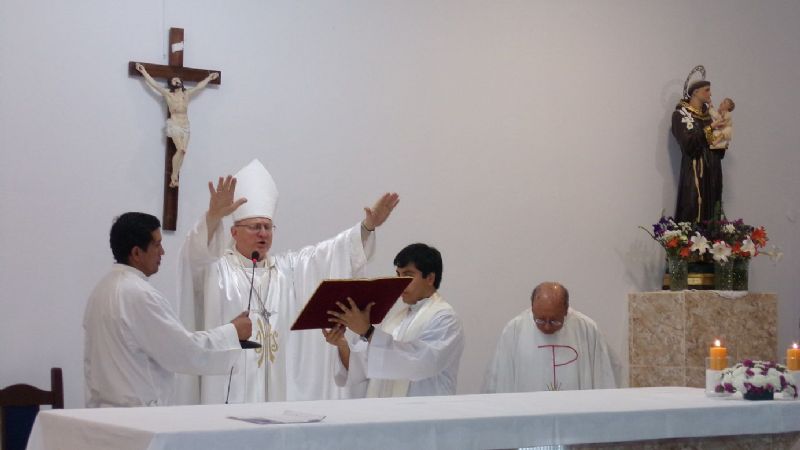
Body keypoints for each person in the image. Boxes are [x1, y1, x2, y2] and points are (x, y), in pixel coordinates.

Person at [178, 159, 399, 404]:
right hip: (232, 390)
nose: (263, 233)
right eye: (255, 227)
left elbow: (329, 253)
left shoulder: (287, 271)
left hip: (278, 390)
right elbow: (195, 257)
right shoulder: (217, 271)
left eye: (268, 227)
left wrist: (367, 227)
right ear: (234, 232)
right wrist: (212, 217)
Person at [83, 212, 251, 407]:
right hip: (136, 417)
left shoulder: (101, 290)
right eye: (157, 245)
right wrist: (232, 332)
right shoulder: (139, 295)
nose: (162, 252)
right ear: (137, 253)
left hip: (102, 414)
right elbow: (183, 351)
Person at [325, 243, 464, 397]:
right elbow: (364, 368)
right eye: (398, 275)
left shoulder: (445, 318)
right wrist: (342, 344)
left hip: (426, 413)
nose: (400, 282)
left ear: (430, 278)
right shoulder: (395, 320)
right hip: (390, 414)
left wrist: (368, 331)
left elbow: (418, 363)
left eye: (408, 275)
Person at [482, 282, 617, 393]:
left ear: (566, 310)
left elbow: (604, 379)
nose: (547, 327)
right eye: (540, 320)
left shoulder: (587, 329)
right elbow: (499, 381)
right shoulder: (514, 330)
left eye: (554, 321)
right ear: (532, 309)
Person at [135, 63, 219, 188]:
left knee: (183, 152)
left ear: (181, 82)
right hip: (174, 124)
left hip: (186, 125)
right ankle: (174, 176)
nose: (176, 81)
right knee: (181, 149)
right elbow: (154, 84)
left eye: (178, 79)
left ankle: (174, 177)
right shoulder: (168, 94)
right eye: (174, 80)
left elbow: (198, 87)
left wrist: (209, 78)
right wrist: (144, 72)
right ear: (171, 84)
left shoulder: (187, 94)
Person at [671, 79, 724, 223]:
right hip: (695, 169)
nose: (710, 93)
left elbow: (718, 149)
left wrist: (721, 138)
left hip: (712, 169)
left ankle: (713, 241)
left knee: (713, 208)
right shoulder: (680, 115)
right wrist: (710, 128)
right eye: (706, 90)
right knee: (693, 207)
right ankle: (690, 243)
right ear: (695, 92)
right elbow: (688, 144)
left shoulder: (710, 115)